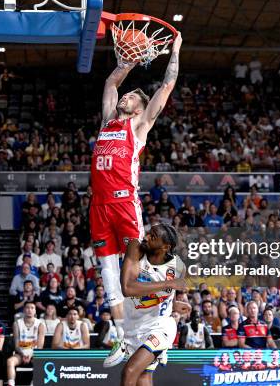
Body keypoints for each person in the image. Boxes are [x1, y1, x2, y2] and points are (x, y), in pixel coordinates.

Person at [90, 32, 182, 367]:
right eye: (125, 95)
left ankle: (160, 328)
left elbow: (166, 87)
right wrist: (128, 57)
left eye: (130, 96)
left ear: (139, 107)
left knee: (141, 271)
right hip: (98, 205)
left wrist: (176, 50)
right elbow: (110, 81)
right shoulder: (107, 120)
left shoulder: (139, 125)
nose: (124, 97)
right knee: (108, 276)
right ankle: (124, 338)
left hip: (124, 202)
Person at [119, 223, 190, 386]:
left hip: (161, 326)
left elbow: (166, 296)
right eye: (149, 233)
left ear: (166, 246)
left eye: (153, 236)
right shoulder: (136, 247)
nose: (146, 237)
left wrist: (173, 305)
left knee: (129, 371)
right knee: (143, 377)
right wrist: (168, 284)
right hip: (134, 327)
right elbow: (127, 288)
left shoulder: (178, 267)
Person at [7, 302, 45, 386]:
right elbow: (16, 345)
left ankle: (34, 383)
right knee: (10, 361)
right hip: (21, 353)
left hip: (35, 353)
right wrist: (24, 354)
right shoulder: (16, 324)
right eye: (27, 308)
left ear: (35, 311)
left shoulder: (40, 324)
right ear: (24, 310)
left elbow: (40, 346)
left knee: (40, 361)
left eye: (32, 308)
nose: (30, 310)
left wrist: (30, 355)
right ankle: (11, 383)